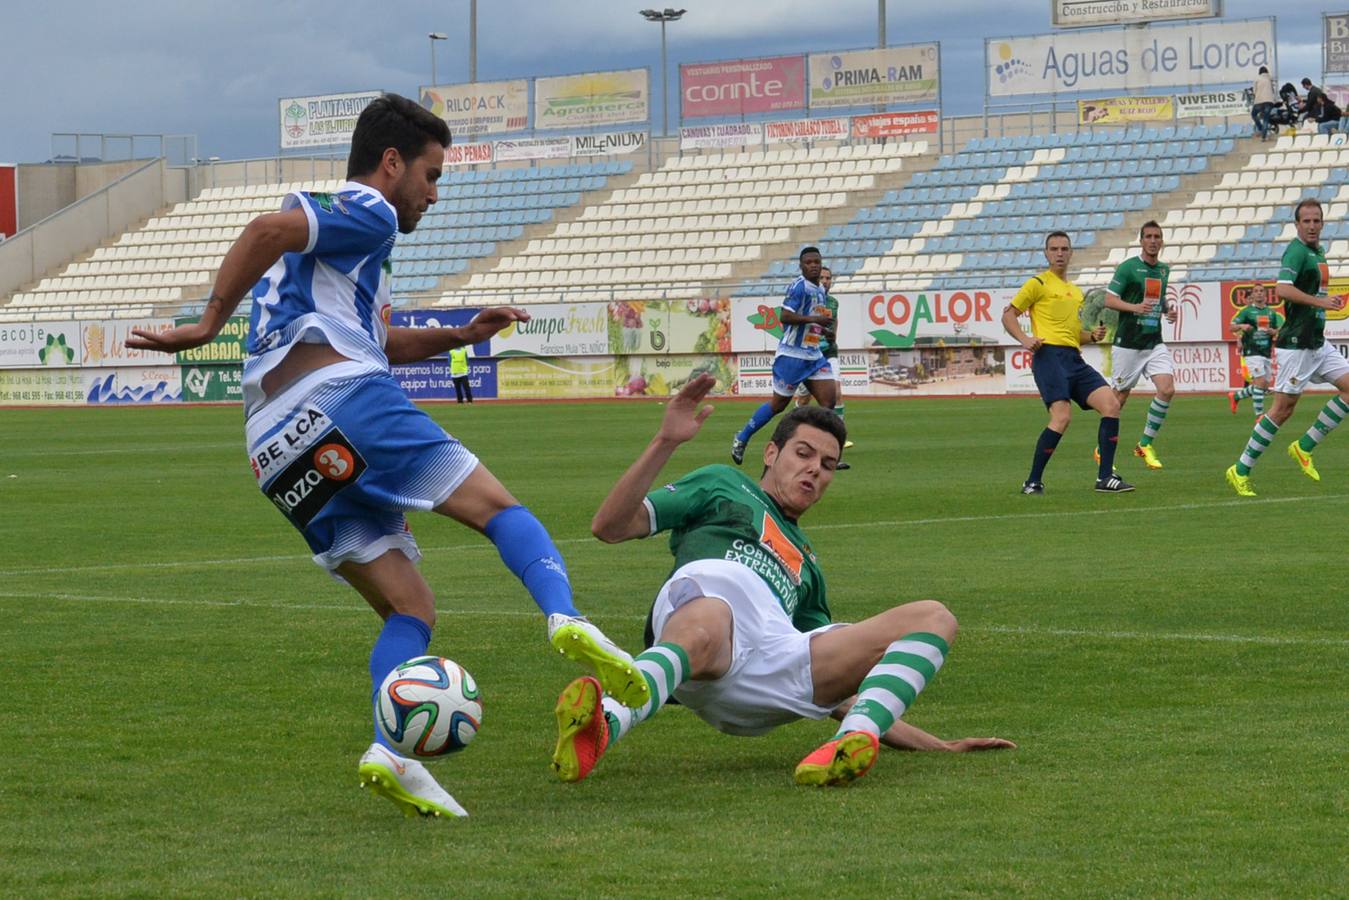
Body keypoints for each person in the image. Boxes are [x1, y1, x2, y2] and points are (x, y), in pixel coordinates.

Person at [125, 93, 646, 820]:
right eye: (430, 176)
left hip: (276, 448)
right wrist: (207, 321)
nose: (434, 194)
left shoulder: (353, 261)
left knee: (411, 607)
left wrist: (463, 334)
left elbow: (383, 341)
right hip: (338, 398)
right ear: (391, 162)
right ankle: (565, 617)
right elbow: (267, 227)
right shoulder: (364, 207)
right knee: (501, 511)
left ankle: (390, 752)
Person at [550, 374, 1015, 786]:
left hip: (770, 664)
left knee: (934, 616)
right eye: (804, 453)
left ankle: (854, 740)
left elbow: (839, 690)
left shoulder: (808, 565)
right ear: (771, 453)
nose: (815, 468)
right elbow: (608, 527)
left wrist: (938, 745)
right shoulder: (723, 483)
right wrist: (665, 441)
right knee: (711, 615)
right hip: (708, 626)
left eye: (828, 465)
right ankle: (608, 721)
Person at [1226, 199, 1349, 497]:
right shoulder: (1295, 251)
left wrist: (1323, 303)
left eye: (1316, 220)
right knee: (1282, 410)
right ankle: (1240, 469)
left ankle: (1304, 447)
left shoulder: (1317, 252)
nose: (1311, 225)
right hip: (1295, 346)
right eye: (1306, 221)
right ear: (1297, 225)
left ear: (1322, 223)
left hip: (1316, 343)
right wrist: (1321, 302)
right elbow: (1282, 289)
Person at [1001, 231, 1132, 494]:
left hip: (1073, 358)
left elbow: (1073, 336)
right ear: (1046, 254)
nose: (1059, 253)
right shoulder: (1037, 283)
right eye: (1054, 249)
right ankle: (1032, 481)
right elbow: (1008, 315)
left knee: (1111, 405)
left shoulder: (1075, 292)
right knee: (1061, 417)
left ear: (1071, 253)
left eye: (1064, 249)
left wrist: (1091, 337)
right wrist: (1025, 339)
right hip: (1048, 357)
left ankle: (1105, 478)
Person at [731, 247, 839, 466]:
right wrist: (813, 320)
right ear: (801, 266)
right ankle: (742, 438)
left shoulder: (820, 290)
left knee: (829, 401)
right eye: (808, 262)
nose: (813, 265)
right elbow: (785, 316)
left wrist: (823, 331)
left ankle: (819, 450)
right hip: (792, 355)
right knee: (778, 405)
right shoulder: (799, 286)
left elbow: (813, 321)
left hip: (813, 354)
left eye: (816, 261)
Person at [1103, 221, 1177, 471]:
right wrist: (1134, 307)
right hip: (1129, 343)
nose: (1153, 240)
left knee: (1166, 389)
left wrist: (1167, 310)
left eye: (1157, 236)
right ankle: (1102, 450)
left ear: (1162, 241)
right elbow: (1109, 300)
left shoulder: (1164, 271)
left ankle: (1144, 444)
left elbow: (1159, 297)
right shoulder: (1128, 268)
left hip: (1153, 341)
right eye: (1148, 236)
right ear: (1141, 241)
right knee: (1117, 400)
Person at [794, 265, 853, 468]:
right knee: (803, 399)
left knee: (835, 393)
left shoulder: (833, 303)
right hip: (808, 353)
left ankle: (836, 448)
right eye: (823, 277)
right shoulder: (806, 298)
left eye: (829, 278)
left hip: (828, 353)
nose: (826, 281)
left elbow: (833, 328)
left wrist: (831, 337)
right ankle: (794, 436)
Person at [1227, 282, 1283, 418]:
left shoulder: (1271, 313)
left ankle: (1236, 396)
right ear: (1253, 294)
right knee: (1260, 381)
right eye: (1256, 291)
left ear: (1265, 294)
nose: (1259, 293)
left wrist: (1273, 331)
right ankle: (1259, 416)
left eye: (1261, 291)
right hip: (1252, 351)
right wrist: (1242, 325)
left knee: (1262, 385)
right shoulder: (1246, 311)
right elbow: (1231, 327)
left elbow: (1279, 330)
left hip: (1266, 352)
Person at [1251, 66, 1277, 141]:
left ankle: (1260, 128)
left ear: (1260, 72)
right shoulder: (1269, 79)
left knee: (1254, 115)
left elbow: (1254, 91)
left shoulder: (1257, 79)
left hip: (1259, 101)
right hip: (1269, 101)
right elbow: (1272, 90)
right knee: (1266, 118)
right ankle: (1264, 137)